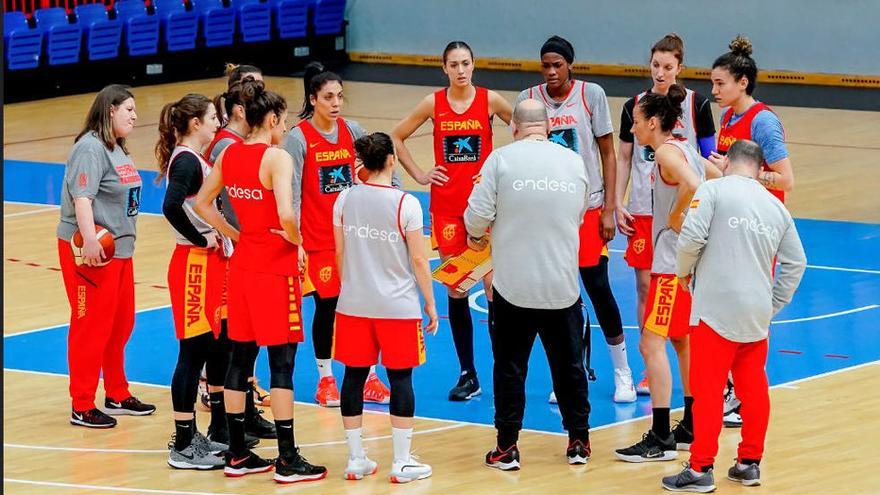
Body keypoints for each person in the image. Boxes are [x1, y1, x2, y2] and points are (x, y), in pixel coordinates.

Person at [194, 79, 326, 482]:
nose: (284, 129)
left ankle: (237, 454)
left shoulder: (230, 154)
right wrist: (298, 240)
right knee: (281, 363)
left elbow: (201, 203)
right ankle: (287, 459)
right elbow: (287, 214)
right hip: (275, 267)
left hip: (244, 266)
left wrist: (236, 234)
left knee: (240, 357)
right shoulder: (277, 158)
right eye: (283, 122)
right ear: (270, 119)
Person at [661, 140, 806, 492]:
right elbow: (796, 262)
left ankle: (700, 469)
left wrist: (682, 272)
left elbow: (691, 237)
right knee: (753, 388)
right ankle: (748, 463)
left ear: (728, 163)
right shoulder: (775, 207)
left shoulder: (713, 190)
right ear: (758, 169)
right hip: (756, 313)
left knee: (708, 390)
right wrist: (773, 303)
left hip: (715, 309)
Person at [467, 99, 592, 470]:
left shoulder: (500, 160)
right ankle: (579, 443)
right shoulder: (573, 162)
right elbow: (580, 213)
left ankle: (506, 448)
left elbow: (476, 217)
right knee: (570, 369)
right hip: (562, 287)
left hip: (512, 289)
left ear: (515, 127)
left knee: (509, 368)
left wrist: (478, 236)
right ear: (549, 127)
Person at [392, 41, 512, 402]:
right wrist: (420, 174)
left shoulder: (490, 100)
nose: (460, 70)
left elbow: (527, 131)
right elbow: (396, 136)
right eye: (454, 65)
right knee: (457, 289)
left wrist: (504, 170)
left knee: (494, 289)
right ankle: (468, 373)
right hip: (446, 209)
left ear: (474, 66)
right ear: (444, 68)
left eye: (466, 63)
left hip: (486, 208)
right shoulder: (434, 103)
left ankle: (504, 370)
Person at [517, 35, 634, 404]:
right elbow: (521, 154)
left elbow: (608, 154)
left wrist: (610, 208)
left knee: (598, 287)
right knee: (560, 297)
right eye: (545, 65)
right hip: (548, 213)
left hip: (587, 209)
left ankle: (622, 371)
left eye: (558, 65)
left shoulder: (591, 95)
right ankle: (570, 373)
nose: (551, 72)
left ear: (570, 65)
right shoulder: (527, 100)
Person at [615, 85, 721, 463]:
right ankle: (690, 424)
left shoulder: (663, 151)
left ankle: (660, 436)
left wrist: (677, 219)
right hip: (687, 264)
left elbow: (694, 186)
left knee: (650, 344)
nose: (633, 128)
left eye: (637, 122)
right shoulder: (687, 147)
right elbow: (715, 179)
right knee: (681, 341)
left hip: (669, 265)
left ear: (654, 122)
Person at [283, 62, 391, 408]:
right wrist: (296, 241)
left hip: (355, 240)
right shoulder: (298, 138)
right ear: (313, 99)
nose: (336, 103)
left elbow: (378, 169)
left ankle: (370, 377)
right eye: (328, 97)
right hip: (317, 243)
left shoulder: (352, 131)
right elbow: (293, 193)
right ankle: (326, 378)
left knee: (362, 308)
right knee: (327, 309)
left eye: (340, 96)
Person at [332, 133, 439, 483]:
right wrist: (431, 303)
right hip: (397, 307)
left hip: (353, 304)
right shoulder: (406, 203)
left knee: (353, 376)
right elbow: (420, 261)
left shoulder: (344, 199)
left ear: (362, 161)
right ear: (391, 160)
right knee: (401, 378)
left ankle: (355, 458)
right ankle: (402, 461)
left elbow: (340, 253)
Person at [616, 33, 717, 396]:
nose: (660, 72)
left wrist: (678, 217)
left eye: (667, 66)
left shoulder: (679, 133)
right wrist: (618, 201)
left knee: (661, 334)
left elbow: (701, 176)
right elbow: (713, 172)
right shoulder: (646, 117)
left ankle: (663, 426)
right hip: (657, 222)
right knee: (672, 327)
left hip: (674, 239)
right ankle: (689, 407)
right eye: (655, 65)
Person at [57, 84, 156, 428]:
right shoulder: (90, 148)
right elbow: (82, 198)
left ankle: (116, 392)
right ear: (110, 110)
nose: (135, 116)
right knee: (91, 327)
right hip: (93, 251)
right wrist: (89, 240)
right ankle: (82, 403)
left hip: (121, 250)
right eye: (129, 109)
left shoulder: (116, 148)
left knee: (121, 323)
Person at [709, 35, 795, 428]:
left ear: (742, 82)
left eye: (720, 83)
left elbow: (786, 180)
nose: (714, 91)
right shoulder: (727, 116)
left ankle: (745, 396)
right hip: (731, 224)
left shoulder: (763, 121)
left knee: (749, 314)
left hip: (758, 226)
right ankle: (733, 392)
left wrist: (739, 172)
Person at [204, 67, 277, 441]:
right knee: (234, 341)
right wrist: (235, 233)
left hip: (246, 252)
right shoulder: (227, 146)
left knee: (245, 341)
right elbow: (207, 202)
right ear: (239, 106)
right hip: (237, 254)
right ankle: (229, 418)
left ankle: (245, 413)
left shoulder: (239, 144)